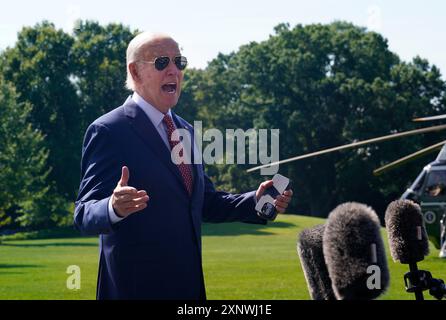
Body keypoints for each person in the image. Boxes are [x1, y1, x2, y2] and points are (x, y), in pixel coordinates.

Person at [74, 32, 293, 300]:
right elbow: (84, 213)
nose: (174, 70)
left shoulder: (185, 131)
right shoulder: (109, 130)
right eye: (162, 62)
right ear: (135, 71)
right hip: (134, 289)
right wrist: (113, 207)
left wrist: (257, 201)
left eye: (180, 62)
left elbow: (205, 202)